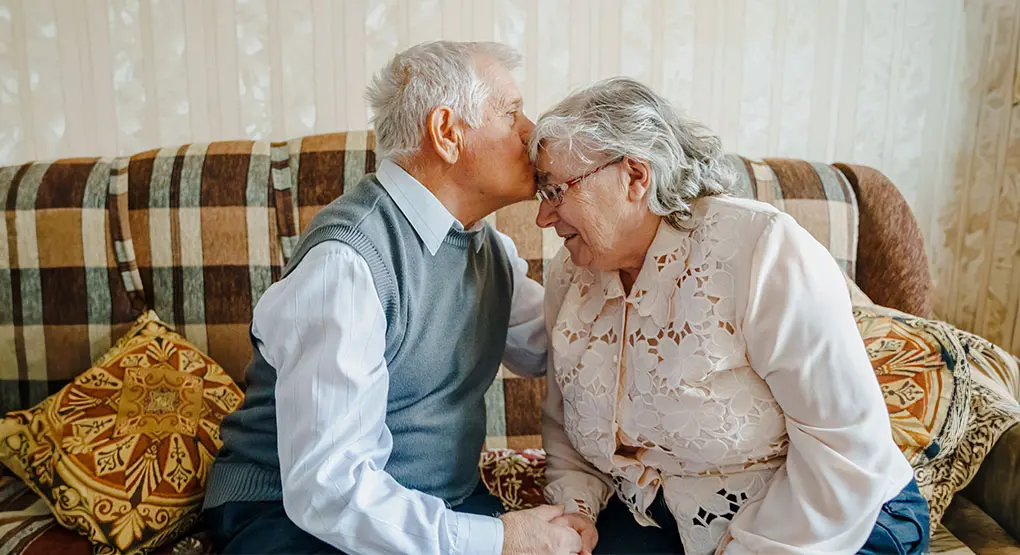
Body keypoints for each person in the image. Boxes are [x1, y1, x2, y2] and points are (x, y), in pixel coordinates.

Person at [201, 41, 583, 555]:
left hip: (427, 506)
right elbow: (327, 490)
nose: (531, 132)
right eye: (511, 112)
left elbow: (559, 344)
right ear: (447, 133)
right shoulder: (348, 264)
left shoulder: (487, 251)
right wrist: (502, 539)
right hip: (288, 515)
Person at [531, 77, 929, 555]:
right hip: (658, 520)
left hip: (834, 518)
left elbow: (843, 450)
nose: (543, 218)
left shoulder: (761, 249)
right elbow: (564, 420)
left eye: (557, 190)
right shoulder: (570, 275)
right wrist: (576, 510)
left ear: (636, 176)